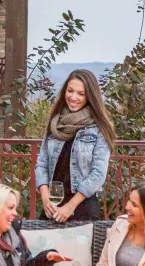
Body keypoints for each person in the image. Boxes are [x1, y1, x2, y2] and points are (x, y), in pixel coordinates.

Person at [35, 69, 116, 222]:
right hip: (53, 206)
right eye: (70, 91)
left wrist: (70, 206)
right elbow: (41, 164)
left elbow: (98, 174)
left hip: (82, 208)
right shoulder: (55, 123)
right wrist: (45, 199)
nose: (73, 97)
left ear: (90, 97)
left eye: (81, 93)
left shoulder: (99, 128)